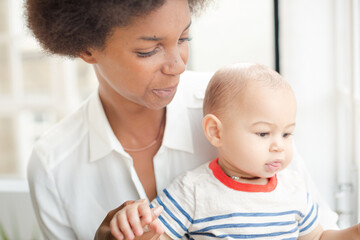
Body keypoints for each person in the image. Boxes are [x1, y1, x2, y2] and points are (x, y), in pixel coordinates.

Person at [24, 0, 338, 239]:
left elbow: (318, 230)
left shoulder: (243, 107)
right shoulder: (54, 165)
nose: (177, 65)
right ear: (86, 48)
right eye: (149, 50)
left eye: (184, 38)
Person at [113, 63, 360, 240]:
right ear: (216, 132)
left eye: (287, 134)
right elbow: (158, 235)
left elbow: (318, 237)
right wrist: (137, 225)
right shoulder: (193, 190)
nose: (279, 145)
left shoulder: (294, 189)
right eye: (263, 133)